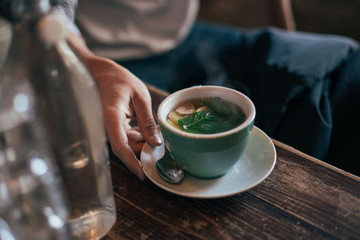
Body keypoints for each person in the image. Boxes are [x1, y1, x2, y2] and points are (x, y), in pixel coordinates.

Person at [1, 0, 359, 177]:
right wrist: (87, 65)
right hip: (104, 56)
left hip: (191, 37)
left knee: (345, 75)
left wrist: (288, 40)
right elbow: (38, 8)